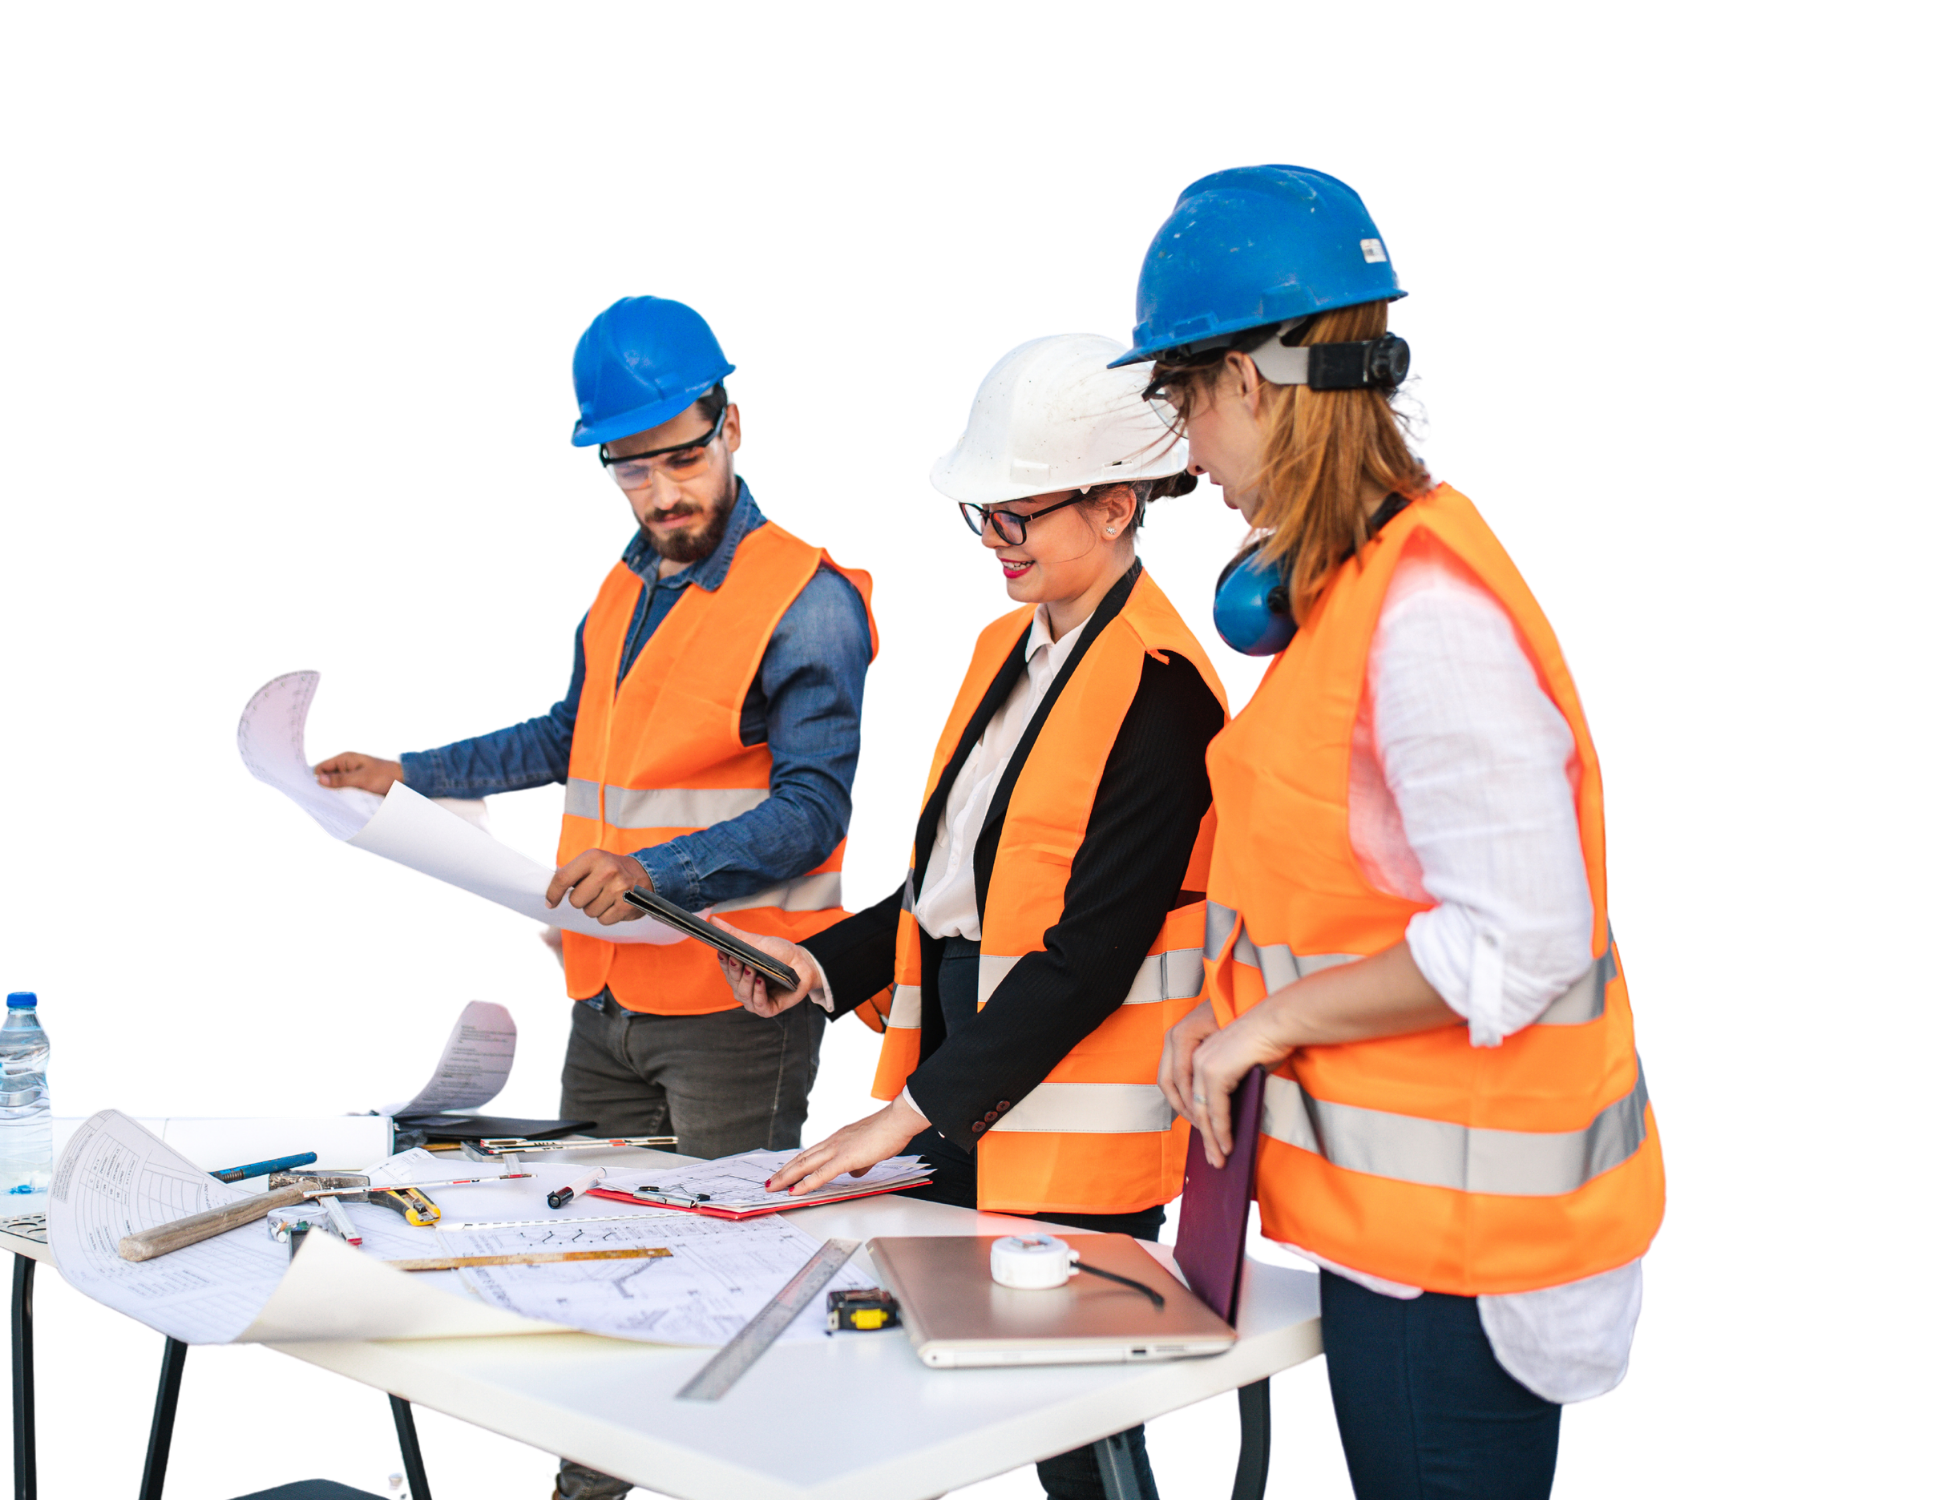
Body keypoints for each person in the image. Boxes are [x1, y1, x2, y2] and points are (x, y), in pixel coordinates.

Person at [1123, 165, 1665, 1499]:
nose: (1191, 452)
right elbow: (1341, 899)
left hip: (1465, 1265)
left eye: (1185, 402)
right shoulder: (1354, 594)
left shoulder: (1424, 620)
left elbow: (1522, 938)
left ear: (1249, 381)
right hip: (1406, 1239)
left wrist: (1264, 1028)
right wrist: (1226, 1005)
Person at [714, 332, 1229, 1500]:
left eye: (1016, 515)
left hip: (1066, 1123)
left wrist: (903, 1116)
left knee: (1067, 1436)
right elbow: (958, 881)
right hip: (966, 1086)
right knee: (954, 1412)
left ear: (1112, 506)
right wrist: (820, 963)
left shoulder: (1164, 689)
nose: (992, 542)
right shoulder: (1006, 644)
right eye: (980, 517)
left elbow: (1090, 950)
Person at [312, 294, 880, 1164]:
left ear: (734, 426)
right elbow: (566, 737)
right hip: (602, 991)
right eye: (632, 469)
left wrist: (648, 875)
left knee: (719, 1263)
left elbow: (814, 812)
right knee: (591, 1240)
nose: (662, 493)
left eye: (684, 458)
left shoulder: (809, 601)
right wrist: (412, 775)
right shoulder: (623, 585)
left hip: (736, 1002)